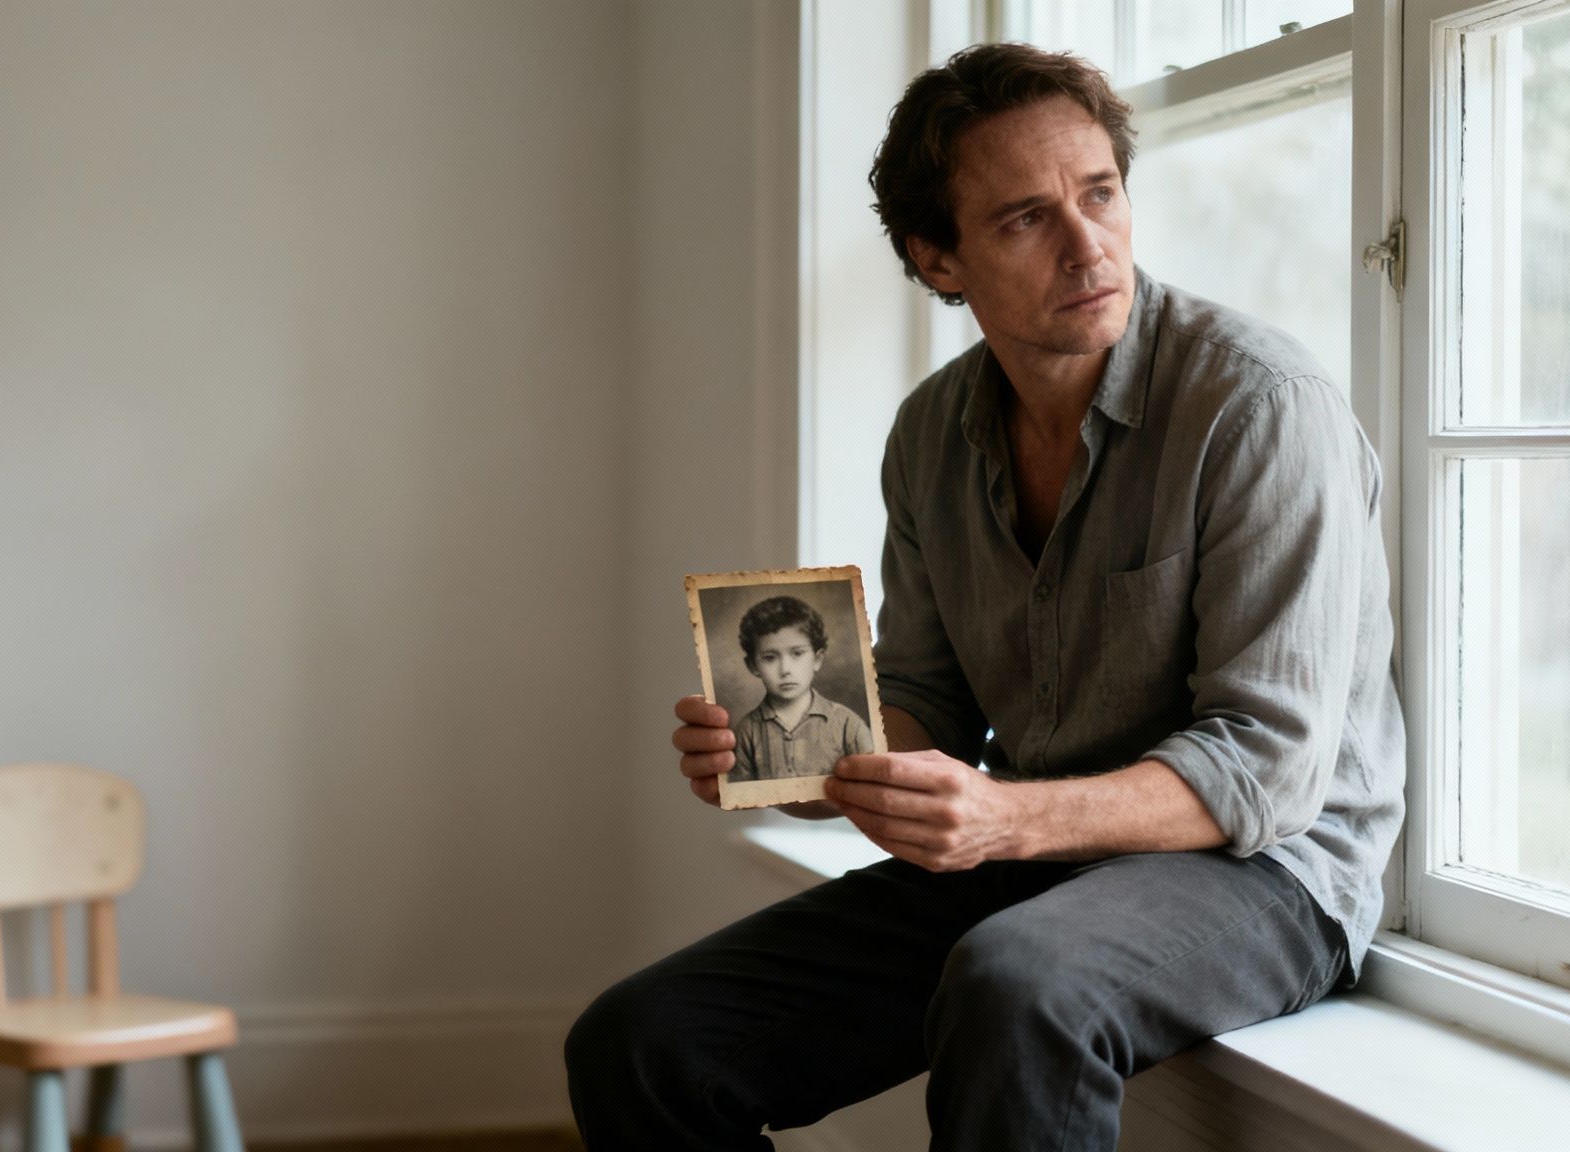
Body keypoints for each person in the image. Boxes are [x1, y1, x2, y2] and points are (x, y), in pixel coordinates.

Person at [564, 41, 1404, 1152]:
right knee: (638, 1044)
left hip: (1264, 872)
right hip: (1036, 854)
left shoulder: (1257, 407)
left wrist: (1006, 815)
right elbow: (926, 706)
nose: (1085, 243)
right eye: (1023, 219)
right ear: (937, 257)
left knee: (1013, 984)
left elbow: (1268, 768)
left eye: (1098, 193)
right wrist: (791, 759)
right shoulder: (928, 435)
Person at [728, 595, 874, 782]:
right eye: (770, 657)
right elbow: (741, 793)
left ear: (817, 659)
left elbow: (872, 785)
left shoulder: (848, 725)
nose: (785, 670)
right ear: (753, 666)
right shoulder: (747, 731)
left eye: (797, 653)